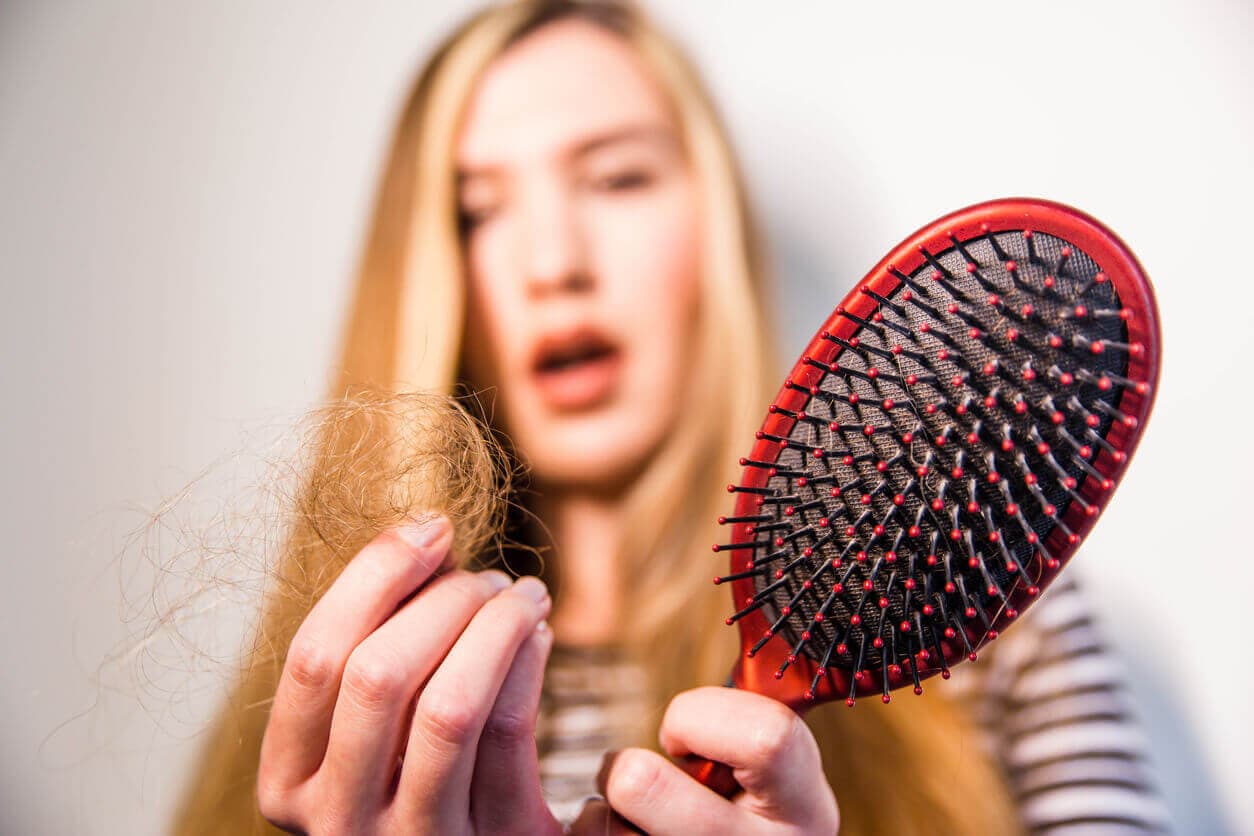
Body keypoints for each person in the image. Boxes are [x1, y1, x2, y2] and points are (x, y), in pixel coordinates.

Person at [172, 2, 1169, 833]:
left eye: (616, 178)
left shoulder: (989, 639)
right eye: (480, 208)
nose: (553, 259)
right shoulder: (365, 700)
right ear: (430, 276)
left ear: (718, 231)